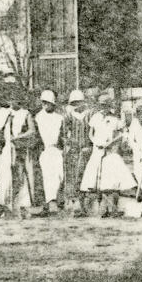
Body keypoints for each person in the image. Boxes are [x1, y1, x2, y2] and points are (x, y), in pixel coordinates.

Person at [80, 91, 134, 215]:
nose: (103, 107)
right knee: (95, 181)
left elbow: (123, 133)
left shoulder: (115, 119)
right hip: (97, 151)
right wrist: (94, 141)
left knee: (111, 181)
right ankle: (102, 209)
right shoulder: (95, 117)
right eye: (101, 105)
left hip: (110, 152)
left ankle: (113, 209)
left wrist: (111, 142)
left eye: (105, 105)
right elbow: (90, 133)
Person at [1, 86, 37, 217]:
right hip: (6, 149)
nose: (12, 102)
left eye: (15, 99)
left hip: (21, 148)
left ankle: (22, 206)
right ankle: (7, 206)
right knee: (7, 177)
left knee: (20, 176)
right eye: (10, 99)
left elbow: (32, 130)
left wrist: (18, 137)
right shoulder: (5, 113)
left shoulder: (25, 113)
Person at [61, 88, 92, 216]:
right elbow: (63, 134)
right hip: (73, 150)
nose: (76, 105)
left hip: (86, 149)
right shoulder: (68, 116)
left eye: (78, 102)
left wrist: (89, 145)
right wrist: (68, 142)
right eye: (74, 103)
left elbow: (94, 131)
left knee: (84, 177)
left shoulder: (89, 114)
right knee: (73, 177)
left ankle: (85, 205)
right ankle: (76, 205)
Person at [33, 89, 65, 213]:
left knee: (59, 175)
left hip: (57, 150)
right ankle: (50, 203)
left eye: (48, 103)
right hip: (45, 150)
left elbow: (62, 135)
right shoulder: (38, 117)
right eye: (43, 102)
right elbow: (36, 135)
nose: (45, 105)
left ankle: (56, 200)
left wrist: (62, 147)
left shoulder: (59, 117)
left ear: (53, 104)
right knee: (47, 176)